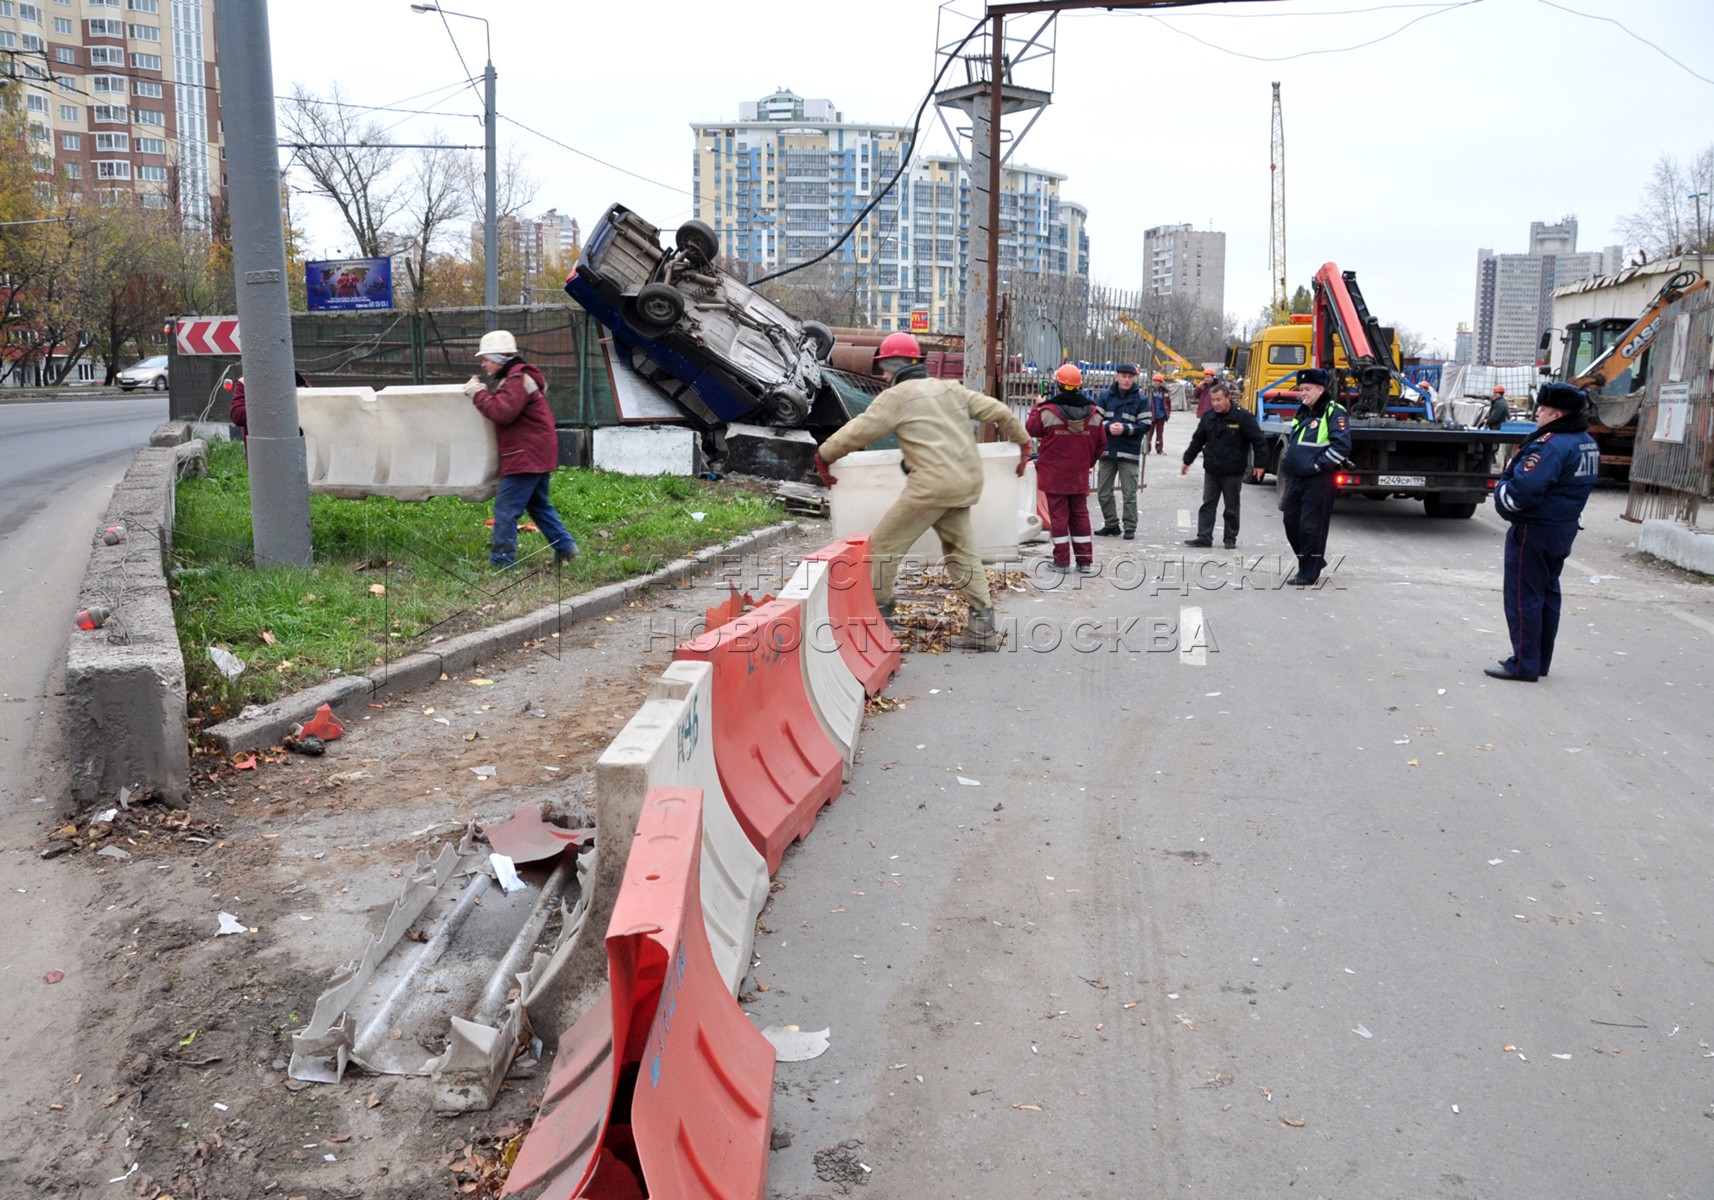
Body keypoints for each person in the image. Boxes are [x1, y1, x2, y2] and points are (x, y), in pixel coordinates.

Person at [813, 331, 1031, 651]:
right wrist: (1023, 443)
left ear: (894, 366)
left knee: (882, 548)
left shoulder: (896, 397)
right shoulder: (951, 390)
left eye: (885, 369)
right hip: (965, 483)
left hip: (930, 487)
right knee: (962, 552)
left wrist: (824, 456)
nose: (884, 375)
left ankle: (880, 626)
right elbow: (999, 412)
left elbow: (857, 432)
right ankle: (982, 628)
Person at [1485, 381, 1599, 682]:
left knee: (1524, 598)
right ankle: (1538, 661)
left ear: (1556, 414)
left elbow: (1524, 490)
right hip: (1563, 528)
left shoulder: (1552, 445)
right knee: (1547, 596)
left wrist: (1502, 494)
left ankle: (1523, 664)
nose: (1537, 414)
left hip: (1535, 530)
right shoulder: (1585, 441)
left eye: (1543, 410)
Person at [465, 329, 579, 570]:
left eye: (485, 358)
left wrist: (478, 394)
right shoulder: (518, 378)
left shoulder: (516, 381)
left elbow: (502, 412)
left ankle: (502, 561)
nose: (483, 363)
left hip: (525, 456)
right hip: (536, 453)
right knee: (539, 506)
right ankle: (566, 548)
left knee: (506, 510)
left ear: (498, 359)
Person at [1027, 363, 1107, 574]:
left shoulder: (1047, 411)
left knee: (1059, 517)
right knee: (1080, 514)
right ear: (1079, 386)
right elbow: (1101, 444)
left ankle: (1061, 561)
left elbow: (1032, 429)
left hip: (1054, 475)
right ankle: (1085, 562)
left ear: (1058, 385)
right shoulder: (1094, 413)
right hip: (1078, 473)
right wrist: (1087, 463)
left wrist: (1037, 406)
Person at [1277, 367, 1351, 587]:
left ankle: (1308, 573)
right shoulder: (1304, 410)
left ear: (1320, 388)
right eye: (1301, 389)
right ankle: (1313, 561)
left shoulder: (1334, 411)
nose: (1303, 393)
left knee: (1311, 526)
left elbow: (1342, 446)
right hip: (1298, 477)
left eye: (1307, 389)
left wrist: (1319, 465)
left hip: (1320, 478)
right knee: (1291, 520)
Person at [1180, 379, 1267, 549]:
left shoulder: (1242, 417)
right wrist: (1187, 461)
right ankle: (1204, 537)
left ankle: (1230, 538)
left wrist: (1260, 464)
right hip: (1212, 470)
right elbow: (1197, 440)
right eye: (1213, 400)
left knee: (1231, 507)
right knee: (1208, 504)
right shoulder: (1209, 417)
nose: (1215, 403)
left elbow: (1259, 442)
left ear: (1228, 398)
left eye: (1219, 400)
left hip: (1233, 471)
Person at [1092, 363, 1152, 539]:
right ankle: (1111, 525)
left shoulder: (1141, 400)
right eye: (1123, 376)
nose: (1126, 380)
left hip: (1129, 453)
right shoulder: (1104, 397)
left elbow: (1146, 425)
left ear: (1134, 378)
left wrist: (1125, 429)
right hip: (1107, 451)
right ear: (1117, 376)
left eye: (1130, 377)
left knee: (1129, 494)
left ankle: (1130, 527)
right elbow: (1095, 420)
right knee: (1103, 492)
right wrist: (1109, 427)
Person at [228, 370, 309, 459]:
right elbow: (237, 416)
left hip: (292, 447)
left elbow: (309, 406)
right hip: (262, 449)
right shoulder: (246, 381)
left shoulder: (291, 377)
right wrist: (264, 401)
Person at [1148, 372, 1172, 454]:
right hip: (1151, 415)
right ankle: (1147, 449)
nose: (1156, 383)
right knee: (1149, 433)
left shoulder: (1165, 392)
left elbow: (1168, 403)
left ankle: (1159, 449)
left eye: (1158, 381)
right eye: (1155, 381)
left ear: (1161, 382)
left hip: (1161, 416)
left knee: (1160, 433)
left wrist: (1167, 413)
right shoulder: (1148, 391)